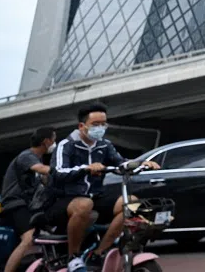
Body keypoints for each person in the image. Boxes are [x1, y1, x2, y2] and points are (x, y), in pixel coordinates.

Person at [48, 103, 159, 272]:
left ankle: (100, 252)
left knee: (131, 203)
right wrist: (86, 168)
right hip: (65, 200)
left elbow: (121, 162)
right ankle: (73, 257)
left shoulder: (104, 145)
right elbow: (58, 172)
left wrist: (141, 163)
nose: (100, 128)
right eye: (95, 125)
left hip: (95, 197)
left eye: (103, 124)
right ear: (81, 126)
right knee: (85, 204)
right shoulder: (67, 145)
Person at [0, 127, 56, 272]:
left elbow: (45, 180)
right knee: (28, 239)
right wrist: (66, 170)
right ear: (46, 141)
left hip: (28, 205)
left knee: (51, 233)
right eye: (54, 139)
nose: (55, 143)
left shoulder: (38, 157)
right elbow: (42, 169)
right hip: (15, 204)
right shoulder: (27, 156)